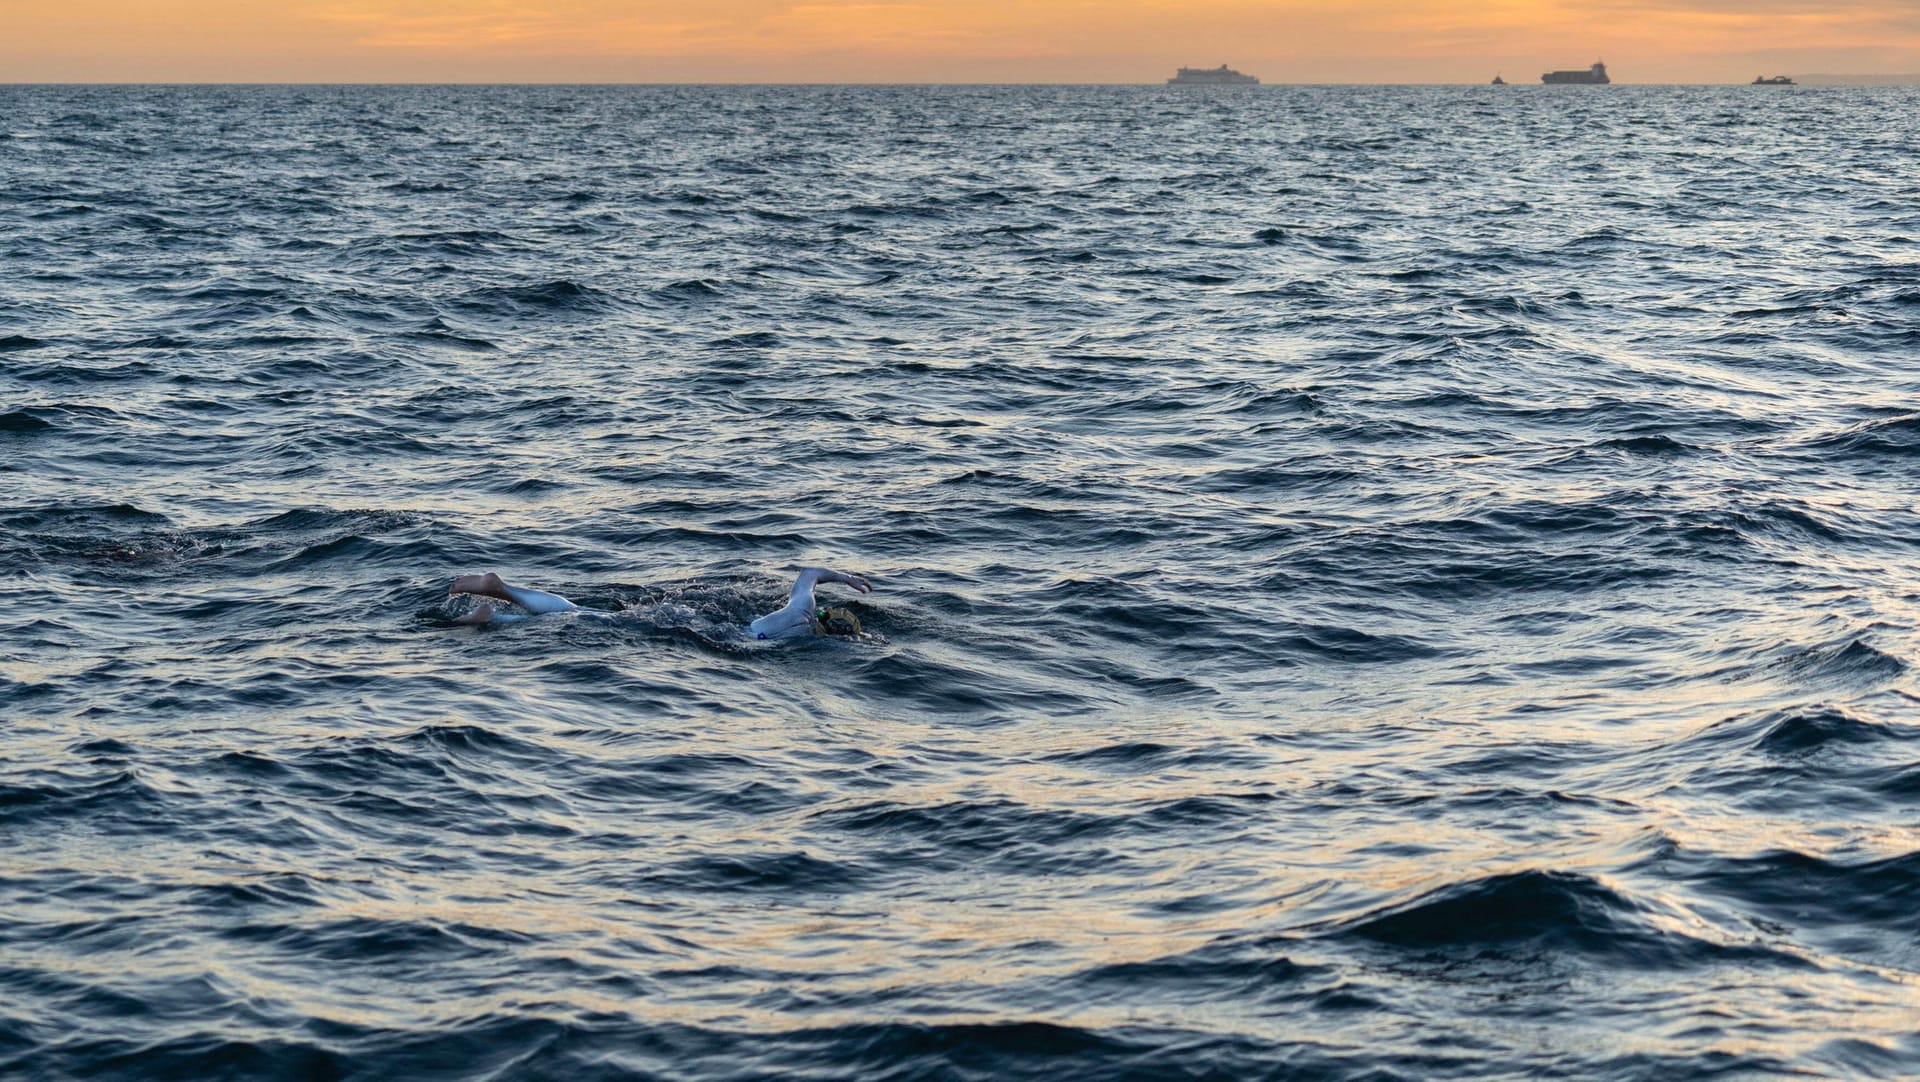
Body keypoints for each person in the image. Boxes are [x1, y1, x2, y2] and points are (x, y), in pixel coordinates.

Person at [448, 566, 872, 638]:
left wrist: (845, 577)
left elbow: (808, 574)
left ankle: (498, 617)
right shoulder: (803, 630)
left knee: (589, 616)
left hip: (691, 619)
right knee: (584, 619)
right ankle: (501, 601)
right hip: (707, 633)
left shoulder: (800, 606)